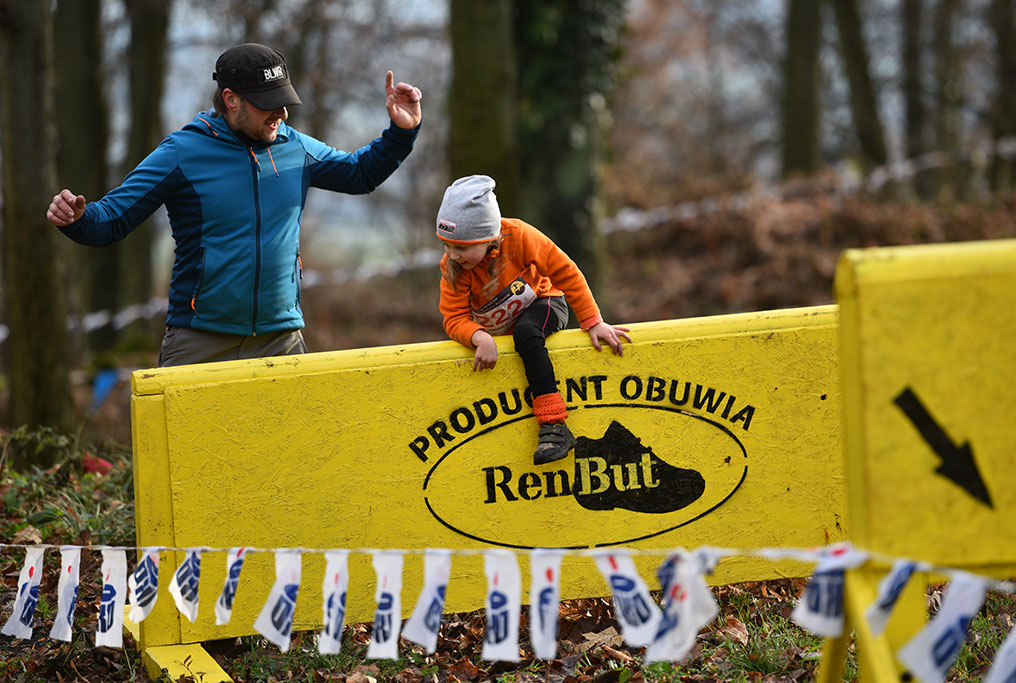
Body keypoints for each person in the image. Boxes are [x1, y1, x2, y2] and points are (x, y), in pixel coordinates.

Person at [46, 43, 422, 367]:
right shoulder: (182, 152)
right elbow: (111, 220)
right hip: (200, 341)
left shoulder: (296, 148)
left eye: (285, 102)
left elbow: (360, 174)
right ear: (231, 99)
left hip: (281, 340)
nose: (282, 114)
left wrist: (401, 133)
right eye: (268, 104)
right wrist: (77, 218)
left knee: (286, 453)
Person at [435, 175, 632, 465]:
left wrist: (593, 320)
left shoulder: (520, 236)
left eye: (462, 248)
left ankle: (554, 426)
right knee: (516, 341)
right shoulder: (453, 267)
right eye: (446, 245)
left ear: (488, 237)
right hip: (501, 329)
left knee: (527, 333)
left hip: (546, 302)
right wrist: (478, 336)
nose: (452, 255)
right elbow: (454, 318)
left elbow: (566, 271)